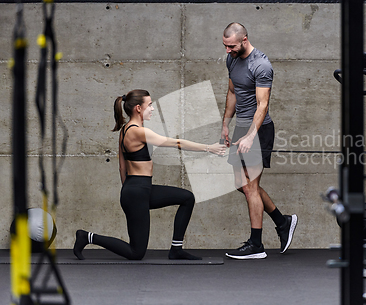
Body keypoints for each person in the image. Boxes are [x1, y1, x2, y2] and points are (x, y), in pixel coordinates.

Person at [73, 89, 226, 260]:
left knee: (187, 198)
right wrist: (208, 148)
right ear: (138, 108)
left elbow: (122, 167)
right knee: (136, 252)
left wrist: (129, 191)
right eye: (150, 105)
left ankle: (176, 249)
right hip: (137, 192)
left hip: (138, 190)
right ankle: (87, 237)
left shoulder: (125, 130)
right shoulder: (137, 131)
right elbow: (176, 142)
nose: (152, 108)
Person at [221, 22, 298, 259]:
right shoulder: (231, 60)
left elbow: (263, 104)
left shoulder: (261, 65)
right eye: (225, 46)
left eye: (231, 46)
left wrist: (250, 136)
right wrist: (226, 122)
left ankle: (256, 245)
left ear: (244, 40)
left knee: (250, 186)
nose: (227, 50)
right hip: (241, 126)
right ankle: (282, 221)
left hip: (259, 129)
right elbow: (233, 92)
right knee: (239, 184)